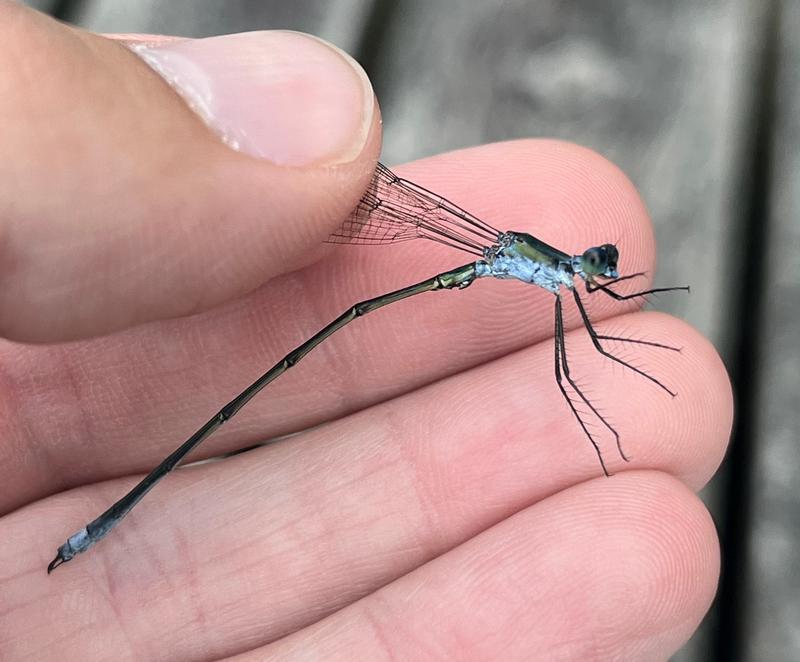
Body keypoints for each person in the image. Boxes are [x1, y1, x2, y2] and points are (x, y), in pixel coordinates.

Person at [0, 3, 732, 659]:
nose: (596, 275)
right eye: (597, 269)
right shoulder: (556, 276)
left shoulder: (567, 277)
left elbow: (596, 327)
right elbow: (582, 361)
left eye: (600, 271)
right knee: (564, 364)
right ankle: (100, 529)